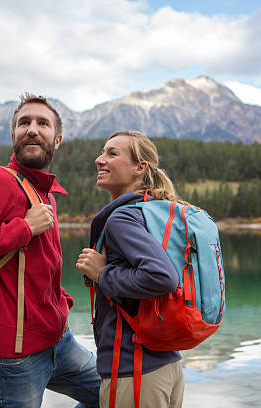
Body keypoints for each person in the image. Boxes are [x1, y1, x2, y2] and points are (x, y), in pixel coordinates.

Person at [0, 93, 100, 408]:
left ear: (57, 140)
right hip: (12, 356)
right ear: (13, 135)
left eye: (43, 123)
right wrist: (23, 228)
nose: (32, 129)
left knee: (114, 395)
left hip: (60, 341)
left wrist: (59, 302)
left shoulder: (47, 193)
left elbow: (43, 265)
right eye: (24, 123)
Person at [76, 130, 185, 408]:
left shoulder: (122, 218)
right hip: (167, 364)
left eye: (112, 153)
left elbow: (163, 277)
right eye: (102, 152)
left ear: (140, 168)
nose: (100, 160)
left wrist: (102, 274)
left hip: (134, 370)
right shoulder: (156, 211)